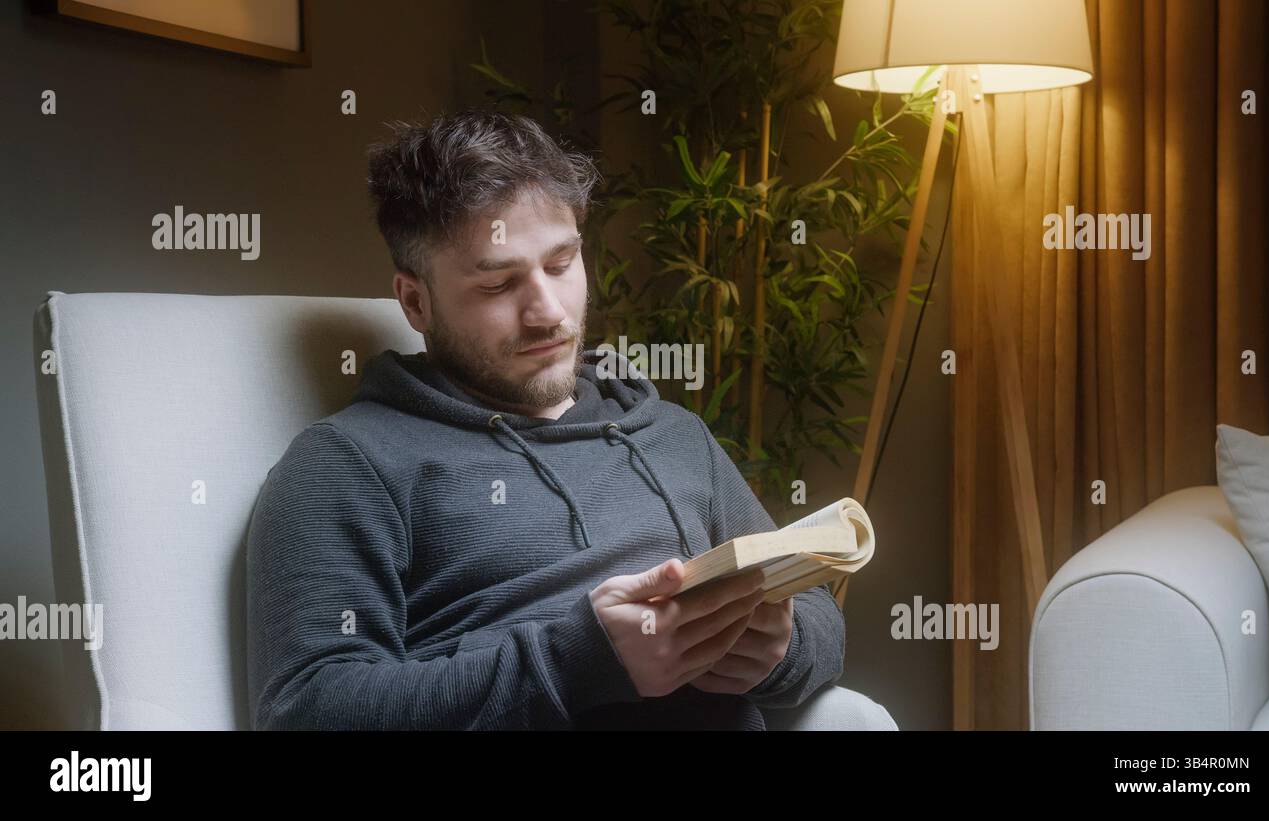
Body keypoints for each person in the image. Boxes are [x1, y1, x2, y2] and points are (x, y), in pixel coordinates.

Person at [244, 109, 846, 730]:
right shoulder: (347, 463)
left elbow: (820, 618)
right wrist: (576, 661)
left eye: (561, 264)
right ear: (415, 301)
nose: (548, 313)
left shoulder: (670, 434)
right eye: (500, 285)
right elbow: (306, 710)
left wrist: (776, 652)